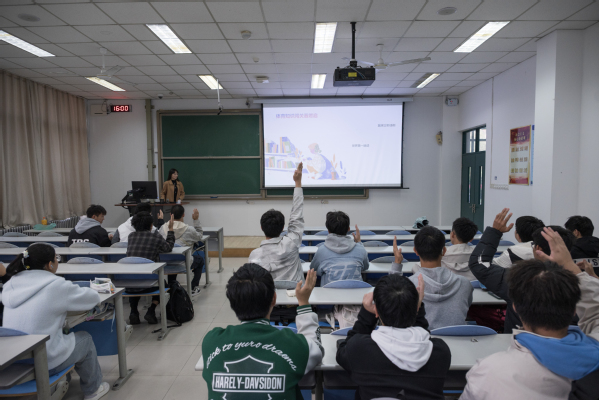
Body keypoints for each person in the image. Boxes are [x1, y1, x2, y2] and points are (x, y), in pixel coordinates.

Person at [460, 227, 599, 400]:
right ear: (574, 309)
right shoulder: (595, 349)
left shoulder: (488, 372)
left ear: (516, 307)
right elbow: (595, 312)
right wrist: (571, 268)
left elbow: (480, 265)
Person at [1, 244, 110, 400]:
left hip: (12, 361)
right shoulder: (56, 285)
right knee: (85, 339)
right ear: (50, 264)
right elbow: (92, 298)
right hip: (43, 361)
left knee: (60, 334)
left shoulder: (10, 284)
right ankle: (93, 390)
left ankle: (63, 380)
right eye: (56, 258)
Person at [202, 266, 323, 399]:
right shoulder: (293, 345)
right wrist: (304, 302)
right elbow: (316, 347)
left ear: (231, 302)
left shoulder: (211, 341)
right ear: (274, 299)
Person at [336, 274, 451, 399]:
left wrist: (366, 316)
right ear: (416, 309)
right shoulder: (440, 353)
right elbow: (423, 340)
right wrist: (417, 310)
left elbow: (343, 350)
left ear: (377, 311)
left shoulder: (360, 349)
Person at [468, 209, 575, 333]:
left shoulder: (521, 280)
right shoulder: (581, 281)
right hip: (564, 341)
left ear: (538, 248)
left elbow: (479, 264)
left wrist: (495, 232)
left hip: (519, 339)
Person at [396, 226, 473, 330]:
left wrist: (397, 265)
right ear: (444, 251)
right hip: (458, 339)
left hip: (423, 339)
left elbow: (392, 297)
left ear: (415, 251)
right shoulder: (465, 284)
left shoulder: (407, 286)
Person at [249, 162, 304, 283]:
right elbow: (297, 216)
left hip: (270, 294)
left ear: (261, 227)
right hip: (296, 293)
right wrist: (298, 183)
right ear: (283, 227)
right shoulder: (291, 243)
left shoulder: (255, 255)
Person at [126, 212, 175, 325]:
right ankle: (151, 310)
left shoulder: (131, 236)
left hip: (129, 283)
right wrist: (171, 230)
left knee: (135, 280)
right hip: (150, 284)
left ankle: (134, 312)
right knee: (164, 284)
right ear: (150, 225)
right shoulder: (154, 237)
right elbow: (168, 248)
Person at [310, 211, 369, 286]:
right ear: (348, 229)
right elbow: (365, 267)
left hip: (329, 293)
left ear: (328, 230)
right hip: (355, 292)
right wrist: (359, 243)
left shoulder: (321, 251)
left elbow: (313, 270)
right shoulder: (360, 249)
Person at [158, 204, 204, 296]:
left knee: (171, 256)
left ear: (170, 214)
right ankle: (193, 287)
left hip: (165, 264)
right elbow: (200, 236)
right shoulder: (189, 229)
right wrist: (196, 220)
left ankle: (172, 287)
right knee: (200, 260)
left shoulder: (162, 228)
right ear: (183, 215)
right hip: (184, 263)